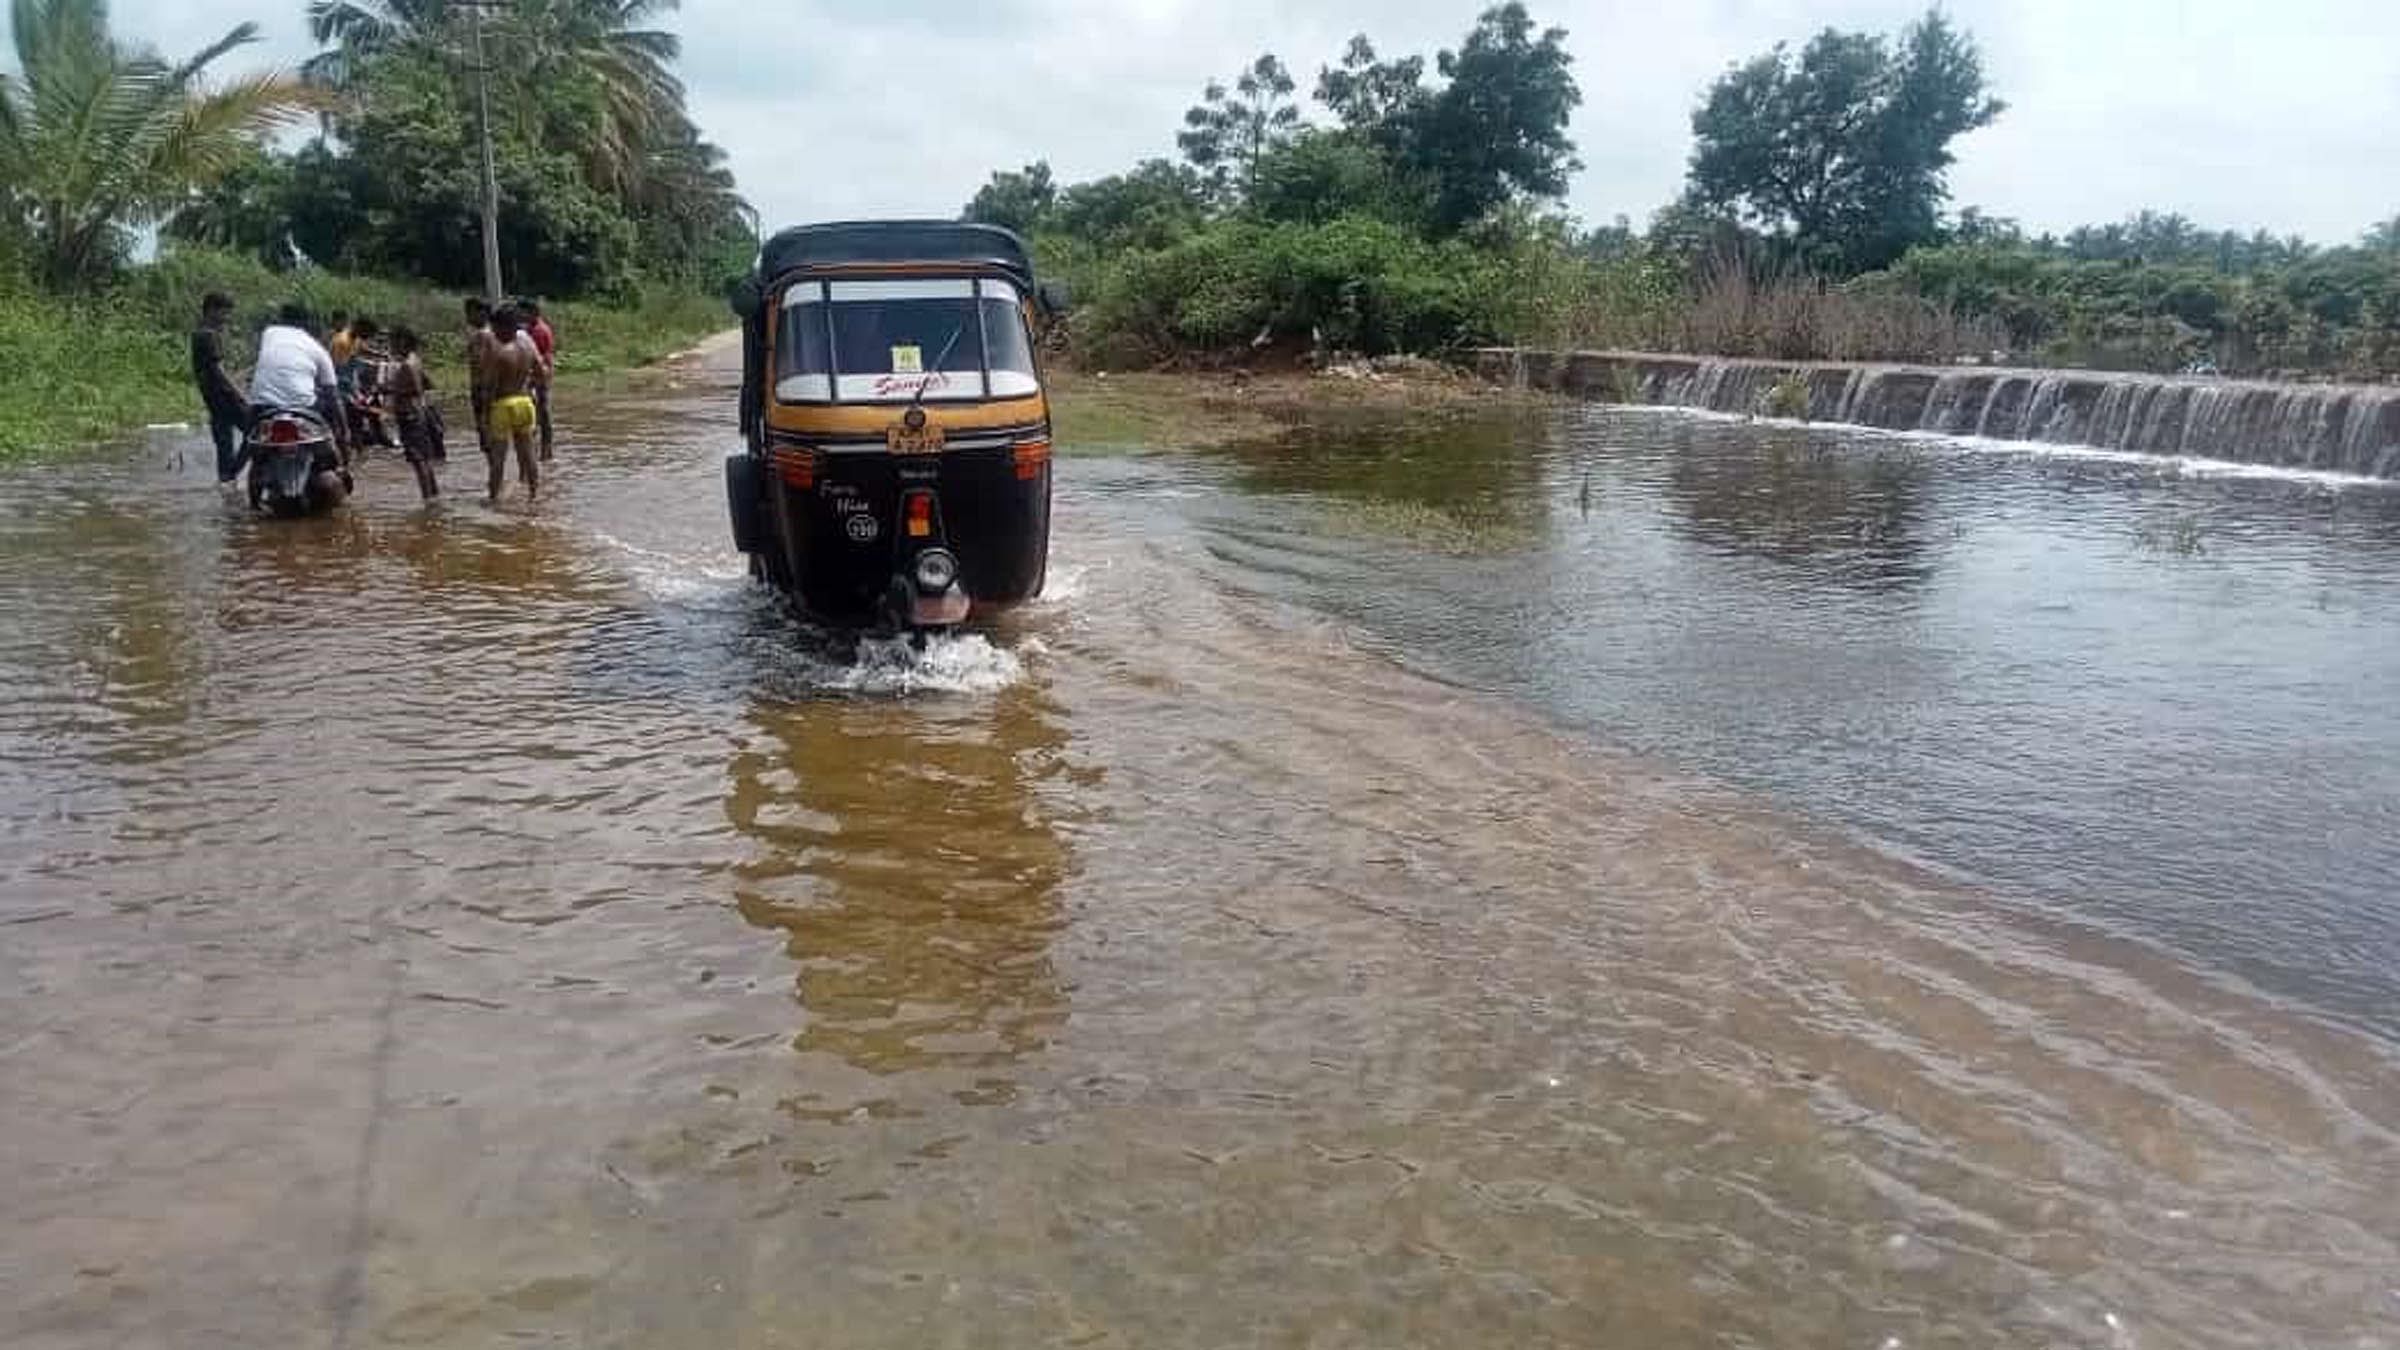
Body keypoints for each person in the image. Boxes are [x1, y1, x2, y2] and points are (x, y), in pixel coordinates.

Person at [247, 302, 350, 461]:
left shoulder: (269, 333)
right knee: (328, 439)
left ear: (281, 319)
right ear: (307, 325)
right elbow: (333, 396)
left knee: (253, 448)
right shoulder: (318, 350)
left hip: (263, 405)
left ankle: (232, 474)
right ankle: (337, 460)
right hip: (303, 407)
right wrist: (343, 431)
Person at [478, 305, 543, 503]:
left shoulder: (499, 352)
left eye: (496, 329)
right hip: (525, 402)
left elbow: (489, 387)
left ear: (506, 327)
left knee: (498, 458)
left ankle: (492, 499)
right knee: (528, 453)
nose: (494, 334)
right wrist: (530, 386)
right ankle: (534, 496)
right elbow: (541, 371)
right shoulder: (528, 343)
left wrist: (484, 416)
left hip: (503, 405)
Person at [189, 292, 249, 483]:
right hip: (224, 397)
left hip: (213, 398)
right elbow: (218, 371)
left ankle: (227, 480)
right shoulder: (208, 335)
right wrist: (239, 394)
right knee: (256, 430)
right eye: (224, 313)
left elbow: (211, 370)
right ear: (212, 310)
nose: (227, 318)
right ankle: (233, 472)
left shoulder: (199, 333)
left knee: (224, 444)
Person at [384, 327, 439, 502]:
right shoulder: (416, 360)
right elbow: (429, 383)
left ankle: (427, 500)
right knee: (425, 458)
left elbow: (413, 389)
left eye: (392, 342)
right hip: (419, 412)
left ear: (402, 342)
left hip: (409, 416)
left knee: (418, 460)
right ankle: (433, 495)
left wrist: (390, 388)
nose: (390, 346)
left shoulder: (406, 365)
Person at [519, 297, 558, 461]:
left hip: (540, 377)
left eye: (523, 313)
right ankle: (541, 453)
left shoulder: (539, 331)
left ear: (533, 312)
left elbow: (542, 358)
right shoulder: (531, 329)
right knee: (538, 415)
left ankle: (544, 453)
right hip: (537, 376)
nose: (521, 316)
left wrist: (536, 379)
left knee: (541, 415)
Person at [464, 297, 496, 458]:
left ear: (482, 313)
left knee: (486, 434)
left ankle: (496, 476)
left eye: (470, 313)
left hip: (482, 390)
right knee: (489, 433)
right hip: (485, 389)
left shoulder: (482, 336)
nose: (467, 317)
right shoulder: (490, 333)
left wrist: (483, 392)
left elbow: (482, 365)